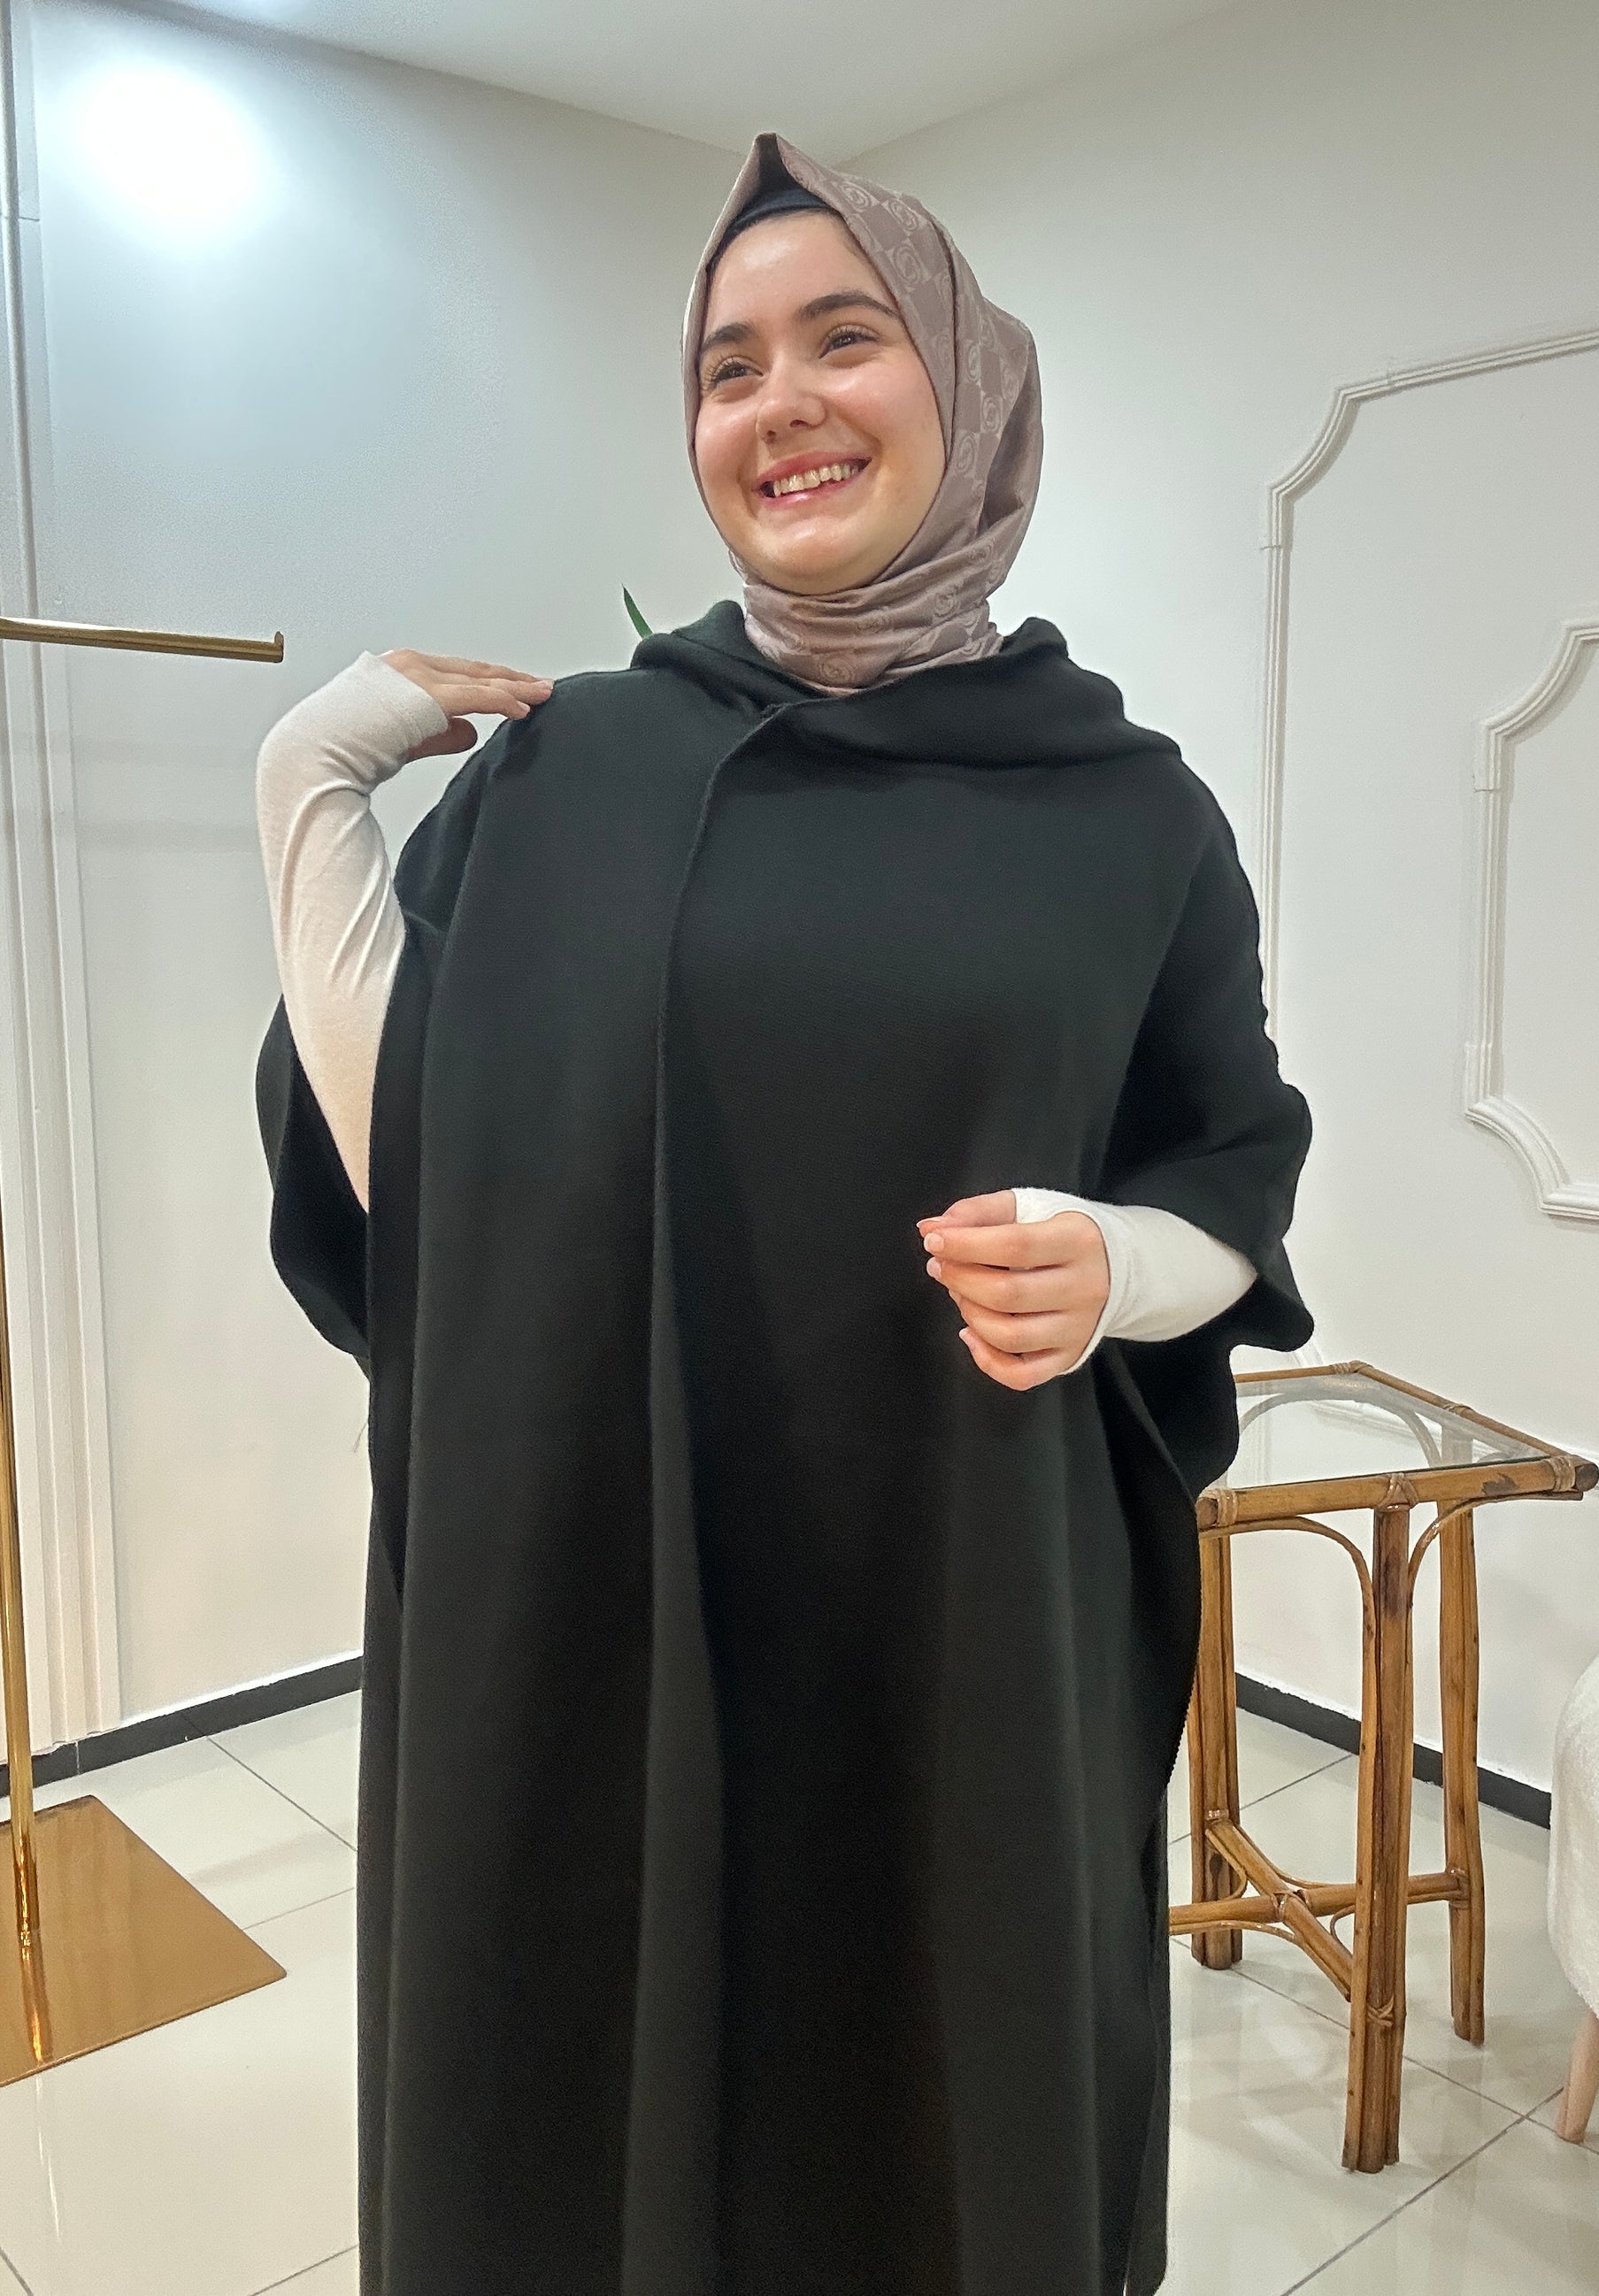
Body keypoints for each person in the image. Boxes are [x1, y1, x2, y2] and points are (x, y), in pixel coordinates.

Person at [255, 129, 1313, 2296]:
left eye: (845, 339)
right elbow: (418, 1180)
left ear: (968, 384)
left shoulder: (1129, 813)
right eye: (726, 367)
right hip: (592, 1593)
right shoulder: (575, 766)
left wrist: (1120, 1269)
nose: (781, 402)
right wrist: (307, 799)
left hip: (952, 1603)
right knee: (572, 2108)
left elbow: (1233, 1156)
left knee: (927, 2111)